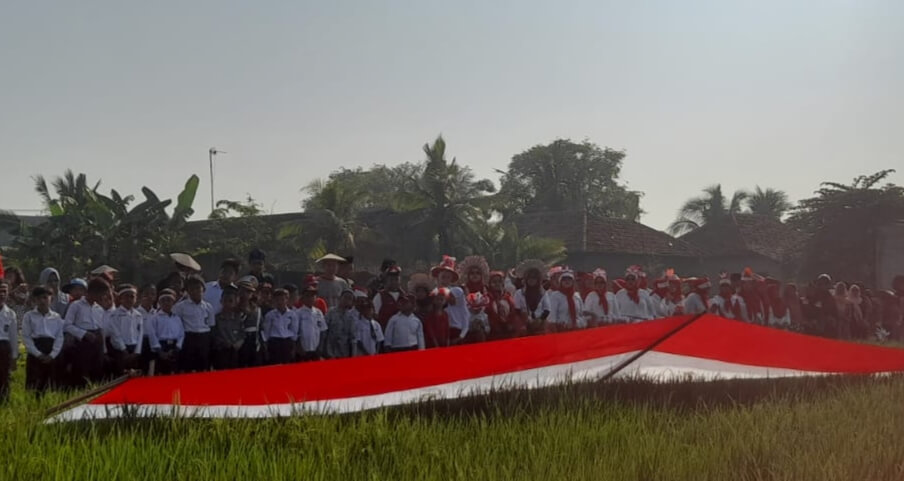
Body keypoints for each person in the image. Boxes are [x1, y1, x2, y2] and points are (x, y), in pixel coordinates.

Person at [63, 278, 109, 386]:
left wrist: (104, 349)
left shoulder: (99, 309)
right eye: (101, 294)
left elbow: (101, 329)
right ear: (94, 292)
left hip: (97, 342)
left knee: (97, 373)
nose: (103, 297)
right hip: (82, 343)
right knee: (82, 374)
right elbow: (67, 325)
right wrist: (84, 334)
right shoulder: (76, 305)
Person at [22, 287, 64, 396]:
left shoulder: (56, 317)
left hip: (51, 350)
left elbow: (59, 337)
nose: (42, 301)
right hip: (36, 350)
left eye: (45, 297)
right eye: (39, 298)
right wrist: (37, 354)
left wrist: (53, 354)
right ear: (34, 300)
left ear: (51, 299)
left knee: (51, 384)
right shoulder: (29, 316)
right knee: (34, 385)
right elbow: (26, 337)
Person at [173, 276, 215, 372]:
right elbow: (175, 323)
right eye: (191, 289)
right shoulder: (180, 307)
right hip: (188, 338)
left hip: (204, 338)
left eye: (197, 288)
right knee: (187, 367)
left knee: (203, 367)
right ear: (187, 291)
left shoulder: (208, 307)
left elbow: (212, 325)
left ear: (203, 289)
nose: (195, 291)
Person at [103, 284, 144, 375]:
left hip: (134, 348)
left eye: (132, 297)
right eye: (126, 296)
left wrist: (137, 351)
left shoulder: (138, 315)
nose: (129, 299)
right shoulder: (114, 315)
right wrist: (123, 349)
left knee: (134, 375)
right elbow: (115, 334)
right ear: (121, 299)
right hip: (120, 350)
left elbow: (140, 333)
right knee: (120, 374)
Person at [146, 289, 184, 375]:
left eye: (169, 300)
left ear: (173, 302)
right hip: (161, 346)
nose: (166, 303)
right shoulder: (155, 318)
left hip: (174, 347)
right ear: (159, 302)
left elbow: (181, 334)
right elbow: (152, 335)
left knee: (174, 373)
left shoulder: (177, 318)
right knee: (161, 374)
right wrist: (160, 351)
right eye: (163, 300)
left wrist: (178, 347)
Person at [433, 256, 469, 344]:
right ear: (438, 278)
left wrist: (462, 335)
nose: (445, 280)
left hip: (456, 329)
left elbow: (465, 314)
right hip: (439, 330)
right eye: (443, 277)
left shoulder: (457, 291)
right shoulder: (433, 293)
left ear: (452, 279)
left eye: (448, 277)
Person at [261, 288, 299, 365]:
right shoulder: (270, 315)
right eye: (277, 300)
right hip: (274, 342)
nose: (280, 302)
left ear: (287, 300)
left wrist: (293, 347)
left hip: (287, 342)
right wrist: (266, 347)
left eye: (282, 299)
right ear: (274, 300)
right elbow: (266, 332)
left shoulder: (292, 314)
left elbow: (294, 331)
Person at [212, 286, 245, 370]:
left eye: (230, 301)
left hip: (235, 352)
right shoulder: (217, 318)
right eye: (225, 301)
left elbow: (242, 334)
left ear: (235, 302)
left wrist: (238, 343)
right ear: (221, 301)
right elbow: (214, 335)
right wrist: (224, 343)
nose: (227, 303)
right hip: (221, 352)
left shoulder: (238, 318)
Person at [513, 260, 551, 334]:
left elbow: (547, 309)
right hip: (524, 325)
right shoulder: (519, 293)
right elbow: (517, 310)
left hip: (540, 325)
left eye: (534, 278)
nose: (531, 280)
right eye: (529, 277)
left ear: (538, 279)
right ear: (525, 279)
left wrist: (539, 320)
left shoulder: (543, 293)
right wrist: (526, 320)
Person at [296, 280, 327, 361]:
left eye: (313, 296)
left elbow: (322, 330)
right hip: (303, 350)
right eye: (307, 296)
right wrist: (299, 347)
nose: (310, 298)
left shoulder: (318, 312)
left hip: (315, 349)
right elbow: (296, 333)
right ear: (302, 298)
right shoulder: (298, 313)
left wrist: (320, 347)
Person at [486, 271, 522, 339]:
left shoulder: (507, 297)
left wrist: (510, 323)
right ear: (489, 284)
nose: (497, 284)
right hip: (494, 333)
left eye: (499, 281)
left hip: (509, 331)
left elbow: (513, 312)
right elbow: (487, 314)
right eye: (494, 282)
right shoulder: (487, 298)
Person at [323, 288, 357, 359]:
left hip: (344, 352)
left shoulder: (351, 317)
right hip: (330, 350)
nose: (346, 300)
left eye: (349, 299)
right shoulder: (331, 312)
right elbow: (324, 331)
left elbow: (353, 337)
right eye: (345, 297)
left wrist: (353, 354)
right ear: (340, 298)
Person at [236, 276, 262, 367]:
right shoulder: (233, 308)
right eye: (242, 290)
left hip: (253, 344)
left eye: (248, 291)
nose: (244, 294)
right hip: (238, 344)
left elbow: (259, 328)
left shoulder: (257, 310)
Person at [0, 280, 18, 403]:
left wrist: (14, 356)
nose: (1, 294)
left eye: (4, 291)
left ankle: (4, 402)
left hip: (3, 346)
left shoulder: (10, 313)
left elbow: (13, 336)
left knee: (4, 377)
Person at [373, 265, 404, 329]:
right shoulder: (380, 296)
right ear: (386, 280)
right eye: (391, 279)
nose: (394, 282)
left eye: (396, 279)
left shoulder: (404, 296)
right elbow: (374, 316)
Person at [137, 283, 157, 371]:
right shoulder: (136, 313)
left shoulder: (157, 313)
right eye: (146, 294)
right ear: (141, 295)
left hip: (153, 343)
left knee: (152, 370)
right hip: (140, 343)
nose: (149, 296)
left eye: (152, 294)